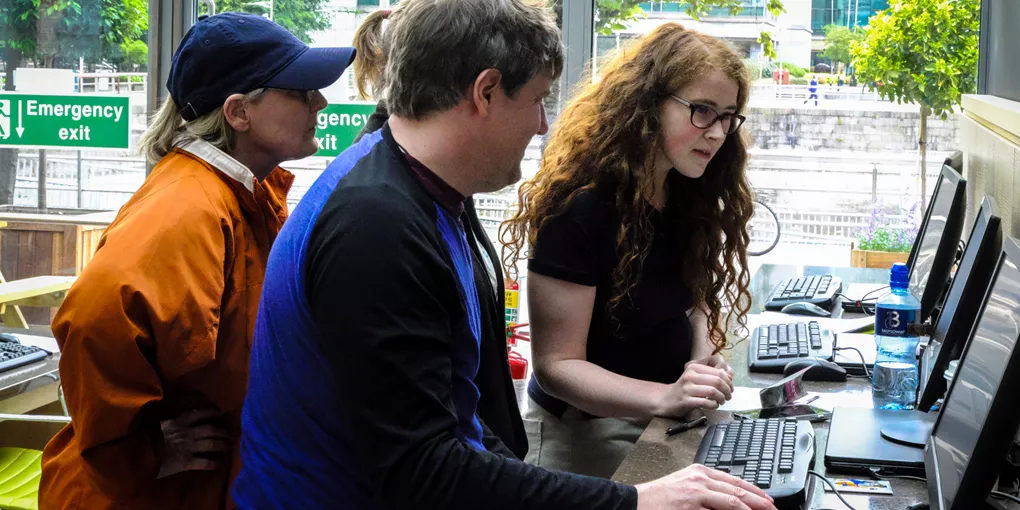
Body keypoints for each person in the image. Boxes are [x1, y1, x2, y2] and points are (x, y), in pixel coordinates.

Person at [234, 1, 775, 509]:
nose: (544, 124)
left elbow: (450, 410)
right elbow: (422, 469)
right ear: (486, 91)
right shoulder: (377, 226)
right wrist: (634, 499)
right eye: (538, 98)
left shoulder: (418, 186)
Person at [39, 13, 354, 509]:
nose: (320, 101)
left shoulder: (242, 194)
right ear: (238, 112)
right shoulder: (189, 207)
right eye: (300, 90)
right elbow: (94, 319)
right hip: (139, 495)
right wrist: (145, 452)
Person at [500, 23, 753, 478]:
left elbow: (693, 297)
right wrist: (666, 397)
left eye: (729, 115)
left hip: (660, 424)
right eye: (702, 111)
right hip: (582, 437)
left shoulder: (686, 191)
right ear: (648, 106)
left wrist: (699, 364)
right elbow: (557, 366)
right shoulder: (580, 208)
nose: (718, 133)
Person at [345, 7, 530, 458]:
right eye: (535, 99)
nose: (541, 123)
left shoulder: (433, 177)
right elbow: (419, 444)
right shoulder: (381, 204)